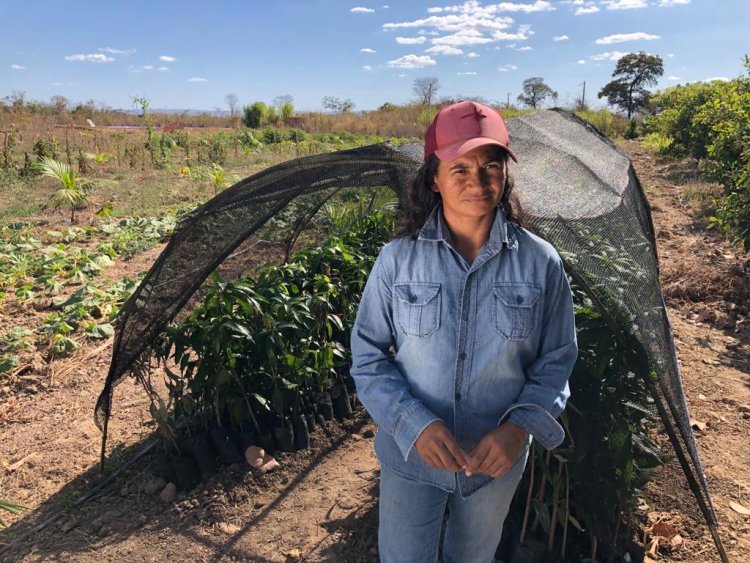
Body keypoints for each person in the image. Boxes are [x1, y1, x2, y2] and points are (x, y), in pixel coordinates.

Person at [350, 100, 578, 563]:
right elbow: (368, 355)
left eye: (490, 167)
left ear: (505, 176)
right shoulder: (398, 260)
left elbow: (557, 360)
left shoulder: (541, 263)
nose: (477, 181)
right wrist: (416, 424)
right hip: (410, 456)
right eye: (460, 168)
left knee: (472, 557)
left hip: (495, 464)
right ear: (433, 177)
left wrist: (518, 428)